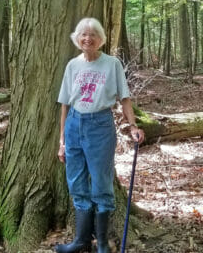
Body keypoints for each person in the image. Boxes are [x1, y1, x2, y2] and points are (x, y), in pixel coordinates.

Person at [55, 17, 144, 253]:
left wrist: (133, 125)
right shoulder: (72, 66)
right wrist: (62, 141)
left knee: (102, 183)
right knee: (76, 183)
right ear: (77, 38)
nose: (88, 38)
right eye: (83, 34)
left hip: (100, 125)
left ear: (100, 39)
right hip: (74, 124)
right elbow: (64, 104)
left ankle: (102, 243)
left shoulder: (111, 64)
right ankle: (82, 241)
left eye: (93, 34)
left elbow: (124, 98)